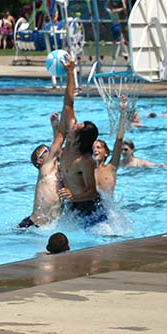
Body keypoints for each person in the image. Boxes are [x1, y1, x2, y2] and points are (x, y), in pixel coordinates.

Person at [57, 53, 105, 227]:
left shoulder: (85, 161)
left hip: (89, 208)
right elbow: (68, 103)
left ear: (80, 137)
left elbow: (92, 192)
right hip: (73, 206)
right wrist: (71, 72)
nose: (75, 124)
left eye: (78, 126)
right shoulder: (70, 140)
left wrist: (73, 196)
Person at [18, 112, 64, 228]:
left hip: (49, 225)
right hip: (34, 224)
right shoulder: (45, 169)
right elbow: (57, 144)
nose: (50, 150)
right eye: (46, 150)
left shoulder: (57, 170)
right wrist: (55, 127)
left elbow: (60, 151)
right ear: (40, 161)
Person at [93, 96, 129, 197]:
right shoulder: (87, 170)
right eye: (93, 148)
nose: (95, 150)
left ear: (106, 153)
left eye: (99, 147)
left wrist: (123, 111)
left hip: (108, 210)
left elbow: (119, 139)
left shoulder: (111, 167)